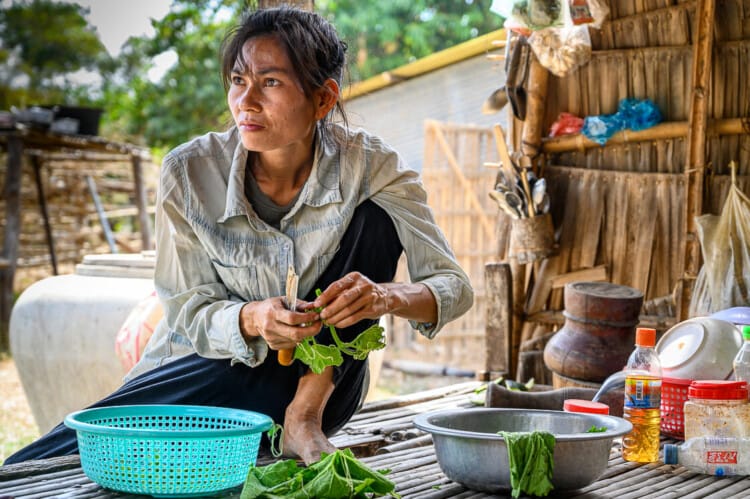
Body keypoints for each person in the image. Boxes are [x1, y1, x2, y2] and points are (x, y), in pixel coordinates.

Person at [5, 5, 473, 466]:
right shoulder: (189, 172)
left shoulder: (372, 165)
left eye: (269, 82)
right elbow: (187, 310)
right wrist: (251, 319)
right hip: (214, 369)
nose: (245, 102)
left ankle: (302, 419)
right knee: (76, 444)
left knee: (375, 217)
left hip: (323, 389)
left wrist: (385, 297)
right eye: (237, 80)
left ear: (324, 99)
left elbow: (454, 287)